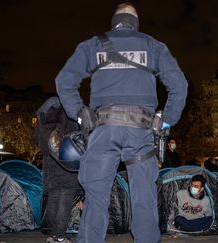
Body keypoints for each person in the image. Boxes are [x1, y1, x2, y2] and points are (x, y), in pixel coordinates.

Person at [55, 3, 188, 243]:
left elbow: (64, 80)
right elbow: (179, 85)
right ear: (135, 22)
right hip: (141, 131)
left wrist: (78, 112)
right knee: (143, 197)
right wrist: (166, 120)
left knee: (95, 195)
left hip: (103, 130)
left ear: (114, 20)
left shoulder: (92, 45)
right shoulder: (154, 46)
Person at [36, 96, 84, 243]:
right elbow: (76, 137)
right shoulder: (66, 116)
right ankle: (60, 236)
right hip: (65, 161)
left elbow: (37, 140)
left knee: (53, 199)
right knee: (65, 200)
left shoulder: (43, 120)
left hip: (49, 162)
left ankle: (52, 234)